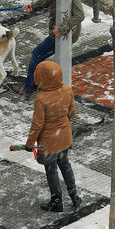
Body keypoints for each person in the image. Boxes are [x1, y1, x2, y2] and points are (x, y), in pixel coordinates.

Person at [6, 0, 85, 99]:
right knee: (40, 56)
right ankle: (35, 82)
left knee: (37, 54)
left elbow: (80, 15)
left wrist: (62, 28)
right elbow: (49, 0)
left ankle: (28, 88)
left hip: (64, 33)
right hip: (60, 32)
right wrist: (34, 6)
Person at [24, 60, 81, 212]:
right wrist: (62, 125)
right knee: (65, 165)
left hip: (49, 142)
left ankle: (57, 201)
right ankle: (74, 196)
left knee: (51, 170)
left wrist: (29, 144)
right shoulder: (67, 90)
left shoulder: (41, 98)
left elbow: (37, 125)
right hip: (65, 137)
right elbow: (72, 112)